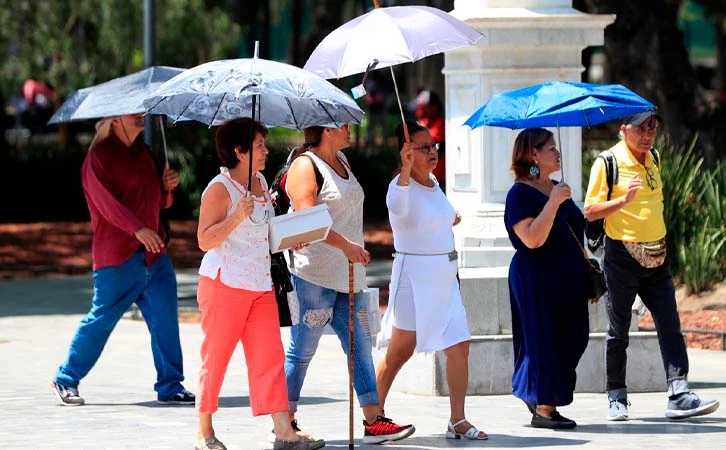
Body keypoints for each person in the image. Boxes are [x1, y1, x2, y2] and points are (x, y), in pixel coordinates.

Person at [194, 118, 325, 450]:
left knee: (269, 358)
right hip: (225, 285)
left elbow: (264, 232)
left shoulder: (261, 181)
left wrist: (289, 238)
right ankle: (204, 432)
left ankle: (284, 432)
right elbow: (204, 240)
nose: (266, 150)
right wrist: (236, 215)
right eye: (259, 145)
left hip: (260, 285)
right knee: (216, 357)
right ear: (239, 152)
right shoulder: (219, 189)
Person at [283, 124, 415, 445]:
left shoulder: (342, 160)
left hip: (348, 274)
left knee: (359, 347)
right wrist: (346, 246)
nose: (350, 128)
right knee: (303, 348)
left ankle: (374, 421)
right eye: (343, 123)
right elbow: (307, 218)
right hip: (313, 274)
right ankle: (285, 421)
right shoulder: (305, 165)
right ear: (327, 129)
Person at [584, 111, 720, 421]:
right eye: (641, 128)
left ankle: (679, 393)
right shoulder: (608, 162)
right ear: (623, 130)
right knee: (619, 329)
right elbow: (591, 211)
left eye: (653, 128)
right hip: (621, 256)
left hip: (657, 255)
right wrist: (623, 200)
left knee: (670, 322)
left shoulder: (653, 157)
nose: (648, 135)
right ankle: (616, 396)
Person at [51, 113, 194, 407]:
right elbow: (106, 205)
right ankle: (65, 378)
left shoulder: (146, 155)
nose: (142, 118)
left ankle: (170, 385)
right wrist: (137, 228)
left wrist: (167, 187)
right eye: (134, 114)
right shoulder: (98, 158)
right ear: (115, 119)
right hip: (117, 258)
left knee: (166, 322)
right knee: (100, 322)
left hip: (155, 258)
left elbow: (158, 202)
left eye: (143, 113)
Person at [375, 121, 487, 440]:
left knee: (459, 345)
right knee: (400, 350)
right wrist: (407, 170)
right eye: (424, 147)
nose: (432, 151)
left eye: (433, 144)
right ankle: (374, 414)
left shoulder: (435, 182)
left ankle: (458, 419)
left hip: (445, 279)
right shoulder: (400, 186)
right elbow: (398, 209)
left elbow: (435, 216)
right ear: (406, 152)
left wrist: (450, 218)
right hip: (415, 280)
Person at [503, 128, 591, 429]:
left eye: (556, 147)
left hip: (569, 278)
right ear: (533, 155)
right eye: (550, 148)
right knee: (544, 340)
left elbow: (577, 231)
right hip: (535, 278)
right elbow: (531, 239)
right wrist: (553, 202)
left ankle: (537, 393)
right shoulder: (519, 194)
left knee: (574, 337)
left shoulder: (557, 187)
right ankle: (543, 407)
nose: (557, 152)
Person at [414, 90, 446, 190]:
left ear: (434, 107)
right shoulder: (423, 124)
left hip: (439, 178)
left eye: (424, 107)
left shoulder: (441, 125)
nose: (421, 111)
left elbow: (435, 149)